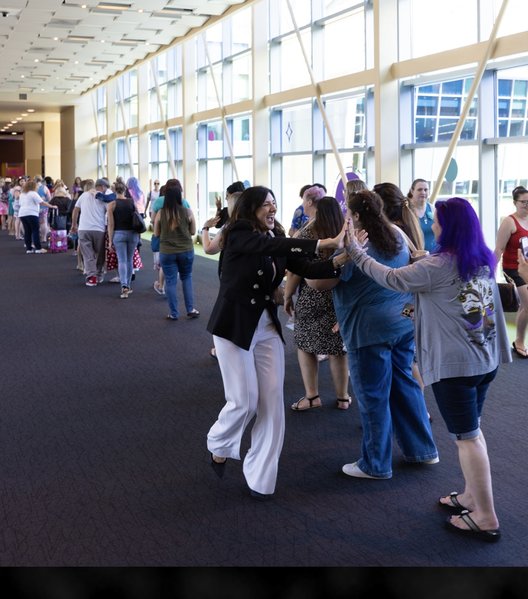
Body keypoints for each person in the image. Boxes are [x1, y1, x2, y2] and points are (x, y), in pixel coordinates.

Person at [345, 195, 511, 541]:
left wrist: (356, 253)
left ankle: (485, 515)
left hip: (456, 369)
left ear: (447, 227)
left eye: (436, 219)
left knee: (469, 439)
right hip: (485, 362)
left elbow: (391, 278)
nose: (431, 224)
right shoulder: (478, 260)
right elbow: (484, 309)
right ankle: (470, 496)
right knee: (470, 433)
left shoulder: (438, 267)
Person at [206, 185, 347, 500]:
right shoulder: (238, 232)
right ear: (251, 208)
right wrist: (325, 241)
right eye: (267, 204)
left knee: (272, 404)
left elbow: (309, 270)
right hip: (233, 325)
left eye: (275, 203)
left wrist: (343, 257)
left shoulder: (276, 238)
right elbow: (266, 247)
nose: (273, 208)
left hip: (265, 327)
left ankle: (260, 479)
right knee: (244, 400)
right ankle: (218, 444)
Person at [332, 189, 438, 480]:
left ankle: (375, 463)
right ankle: (423, 449)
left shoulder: (354, 245)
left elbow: (325, 280)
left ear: (354, 216)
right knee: (405, 386)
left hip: (368, 330)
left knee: (373, 395)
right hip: (403, 325)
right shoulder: (398, 234)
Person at [284, 193, 351, 410]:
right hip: (339, 297)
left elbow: (294, 271)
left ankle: (312, 396)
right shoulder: (346, 233)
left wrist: (287, 295)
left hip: (311, 298)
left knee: (305, 344)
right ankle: (343, 397)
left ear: (317, 212)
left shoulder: (307, 233)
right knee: (337, 349)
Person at [153, 185, 199, 320]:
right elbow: (193, 232)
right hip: (186, 251)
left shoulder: (161, 213)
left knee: (171, 281)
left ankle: (173, 313)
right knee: (187, 278)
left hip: (167, 252)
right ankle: (190, 309)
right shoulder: (188, 211)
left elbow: (156, 233)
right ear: (179, 196)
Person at [494, 185, 528, 358]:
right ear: (515, 203)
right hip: (512, 269)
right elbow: (499, 249)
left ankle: (519, 340)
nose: (527, 205)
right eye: (523, 202)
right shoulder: (509, 222)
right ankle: (520, 342)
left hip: (527, 268)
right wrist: (489, 275)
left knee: (525, 305)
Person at [70, 179, 107, 287]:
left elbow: (75, 210)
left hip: (84, 228)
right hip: (99, 229)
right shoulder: (101, 196)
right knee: (100, 253)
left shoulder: (83, 196)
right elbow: (108, 211)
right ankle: (99, 274)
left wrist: (74, 224)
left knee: (88, 255)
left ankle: (91, 277)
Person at [106, 181, 140, 299]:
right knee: (129, 260)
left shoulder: (111, 205)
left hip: (118, 234)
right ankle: (128, 285)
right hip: (132, 234)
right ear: (125, 190)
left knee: (122, 260)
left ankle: (123, 285)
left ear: (115, 191)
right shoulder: (132, 202)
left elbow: (111, 224)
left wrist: (110, 241)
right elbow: (137, 217)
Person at [19, 179, 58, 253]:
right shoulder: (33, 193)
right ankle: (38, 248)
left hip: (22, 214)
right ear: (33, 187)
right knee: (35, 230)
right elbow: (42, 202)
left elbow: (21, 204)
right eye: (36, 186)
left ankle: (29, 249)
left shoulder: (22, 194)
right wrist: (52, 206)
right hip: (31, 213)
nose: (37, 187)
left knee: (27, 231)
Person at [407, 178, 437, 252]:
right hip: (416, 256)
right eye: (419, 189)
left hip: (434, 254)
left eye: (426, 190)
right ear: (412, 191)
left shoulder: (432, 209)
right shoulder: (407, 210)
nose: (423, 192)